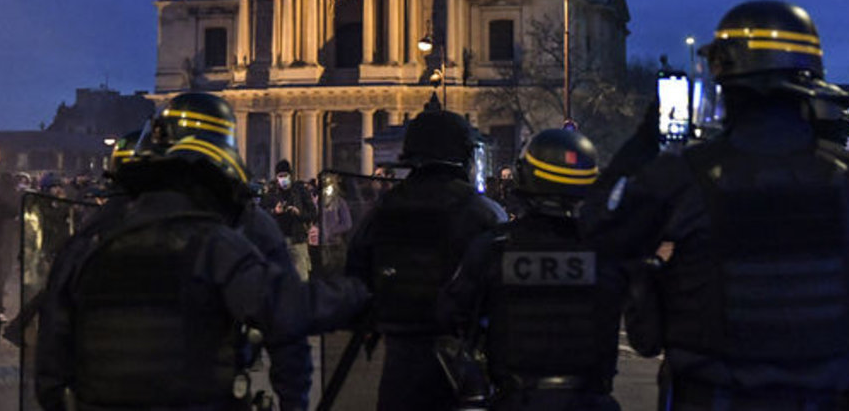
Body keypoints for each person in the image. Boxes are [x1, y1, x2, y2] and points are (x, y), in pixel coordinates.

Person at [582, 0, 849, 410]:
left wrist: (640, 144)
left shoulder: (683, 175)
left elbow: (599, 234)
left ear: (725, 76)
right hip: (822, 395)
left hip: (713, 396)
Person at [34, 118, 368, 411]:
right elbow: (283, 308)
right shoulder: (213, 243)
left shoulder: (86, 246)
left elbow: (49, 367)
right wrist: (361, 293)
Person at [441, 127, 626, 410]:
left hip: (517, 400)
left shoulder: (494, 248)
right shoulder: (609, 252)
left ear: (525, 176)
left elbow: (449, 320)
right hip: (590, 401)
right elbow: (645, 332)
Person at [346, 104, 507, 411]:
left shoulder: (383, 211)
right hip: (463, 368)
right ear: (463, 156)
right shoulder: (482, 213)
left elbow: (356, 281)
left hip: (399, 364)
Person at [263, 158, 317, 280]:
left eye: (285, 175)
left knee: (302, 277)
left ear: (290, 175)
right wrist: (275, 211)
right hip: (279, 240)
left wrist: (299, 213)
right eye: (280, 176)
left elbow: (313, 213)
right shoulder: (272, 193)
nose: (283, 179)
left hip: (297, 240)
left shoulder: (300, 191)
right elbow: (262, 214)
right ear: (276, 177)